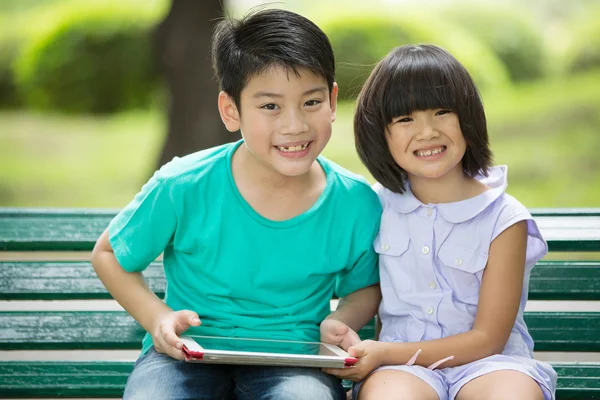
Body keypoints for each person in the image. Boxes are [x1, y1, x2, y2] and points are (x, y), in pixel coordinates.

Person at [90, 8, 382, 400]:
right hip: (185, 355)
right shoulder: (183, 185)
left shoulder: (354, 202)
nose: (294, 125)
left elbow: (366, 287)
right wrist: (157, 317)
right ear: (231, 110)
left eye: (310, 102)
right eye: (270, 106)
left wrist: (341, 320)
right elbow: (108, 254)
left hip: (294, 359)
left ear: (331, 100)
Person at [325, 44, 557, 400]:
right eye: (405, 119)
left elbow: (488, 338)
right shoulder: (374, 206)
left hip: (491, 364)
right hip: (400, 369)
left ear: (468, 118)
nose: (428, 132)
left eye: (442, 112)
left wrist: (385, 352)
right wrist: (343, 326)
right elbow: (366, 289)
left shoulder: (504, 218)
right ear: (380, 134)